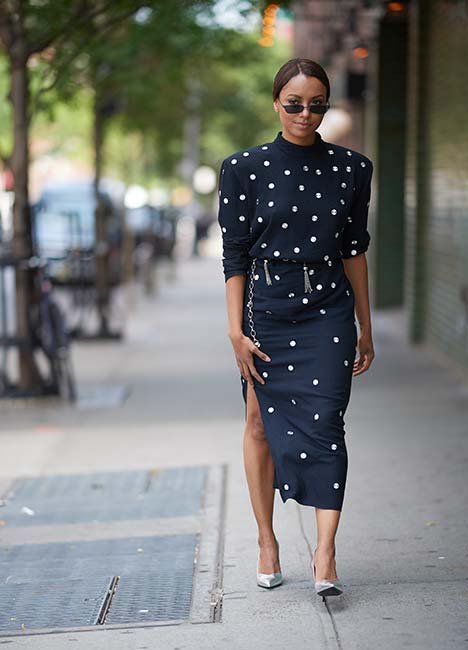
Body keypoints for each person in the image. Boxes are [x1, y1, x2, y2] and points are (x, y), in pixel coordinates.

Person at [217, 58, 375, 597]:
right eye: (294, 104)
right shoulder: (243, 167)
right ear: (275, 103)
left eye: (316, 105)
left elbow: (355, 251)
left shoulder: (354, 169)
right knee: (259, 423)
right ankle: (267, 541)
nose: (305, 115)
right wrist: (235, 331)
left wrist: (365, 326)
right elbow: (233, 256)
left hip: (328, 306)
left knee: (329, 420)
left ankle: (326, 552)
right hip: (267, 307)